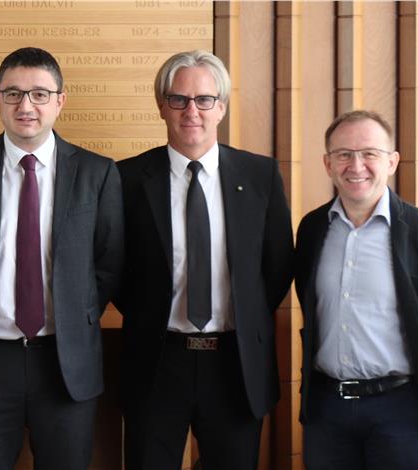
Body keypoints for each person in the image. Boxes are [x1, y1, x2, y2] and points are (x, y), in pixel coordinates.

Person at [0, 47, 124, 469]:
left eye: (39, 94)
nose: (26, 106)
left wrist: (75, 314)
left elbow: (109, 264)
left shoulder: (97, 173)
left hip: (65, 362)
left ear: (60, 100)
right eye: (13, 93)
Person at [115, 50, 293, 469]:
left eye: (204, 99)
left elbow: (277, 266)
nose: (191, 111)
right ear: (162, 106)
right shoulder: (126, 179)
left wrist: (244, 313)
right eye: (178, 99)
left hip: (234, 361)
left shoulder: (260, 175)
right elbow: (114, 269)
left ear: (221, 107)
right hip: (158, 359)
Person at [295, 110, 418, 470]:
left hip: (402, 411)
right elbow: (309, 302)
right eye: (344, 154)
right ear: (328, 164)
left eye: (369, 154)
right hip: (327, 409)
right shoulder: (312, 228)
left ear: (392, 162)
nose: (356, 165)